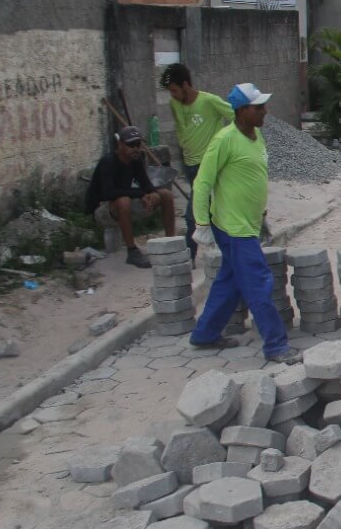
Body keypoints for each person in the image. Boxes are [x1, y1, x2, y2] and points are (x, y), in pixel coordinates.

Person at [189, 83, 299, 364]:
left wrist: (261, 216)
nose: (265, 111)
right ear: (241, 111)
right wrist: (201, 223)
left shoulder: (257, 135)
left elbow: (253, 177)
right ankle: (276, 345)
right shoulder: (224, 140)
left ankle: (205, 334)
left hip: (248, 224)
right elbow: (202, 183)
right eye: (258, 107)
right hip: (232, 228)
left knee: (230, 281)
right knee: (258, 281)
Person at [160, 63, 234, 262]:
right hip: (189, 164)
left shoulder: (209, 101)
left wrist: (225, 146)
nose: (173, 95)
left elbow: (237, 117)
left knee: (193, 213)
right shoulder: (175, 104)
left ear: (185, 85)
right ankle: (223, 251)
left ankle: (187, 257)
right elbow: (181, 129)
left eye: (175, 90)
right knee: (209, 208)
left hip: (207, 165)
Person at [85, 126, 175, 269]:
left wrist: (151, 194)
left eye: (138, 144)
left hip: (123, 203)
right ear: (120, 145)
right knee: (124, 201)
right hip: (102, 210)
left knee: (166, 195)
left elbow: (146, 184)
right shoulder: (108, 161)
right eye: (131, 145)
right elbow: (109, 193)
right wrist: (141, 194)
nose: (136, 148)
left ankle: (171, 243)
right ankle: (132, 251)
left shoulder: (136, 160)